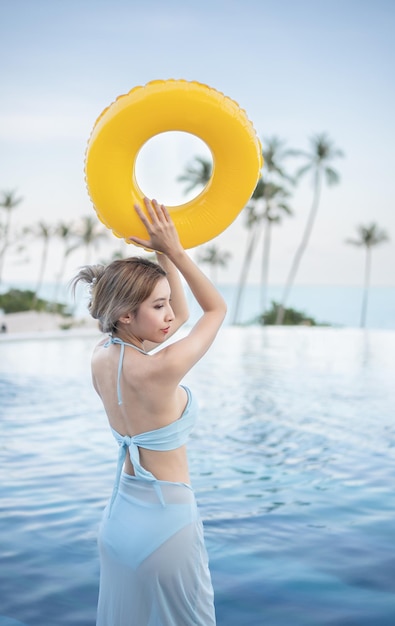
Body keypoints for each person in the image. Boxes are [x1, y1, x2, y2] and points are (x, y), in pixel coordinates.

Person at [71, 198, 227, 626]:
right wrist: (176, 251)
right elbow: (215, 309)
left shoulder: (103, 355)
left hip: (120, 520)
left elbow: (183, 313)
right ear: (125, 315)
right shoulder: (162, 368)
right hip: (167, 526)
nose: (169, 314)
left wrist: (160, 254)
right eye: (158, 306)